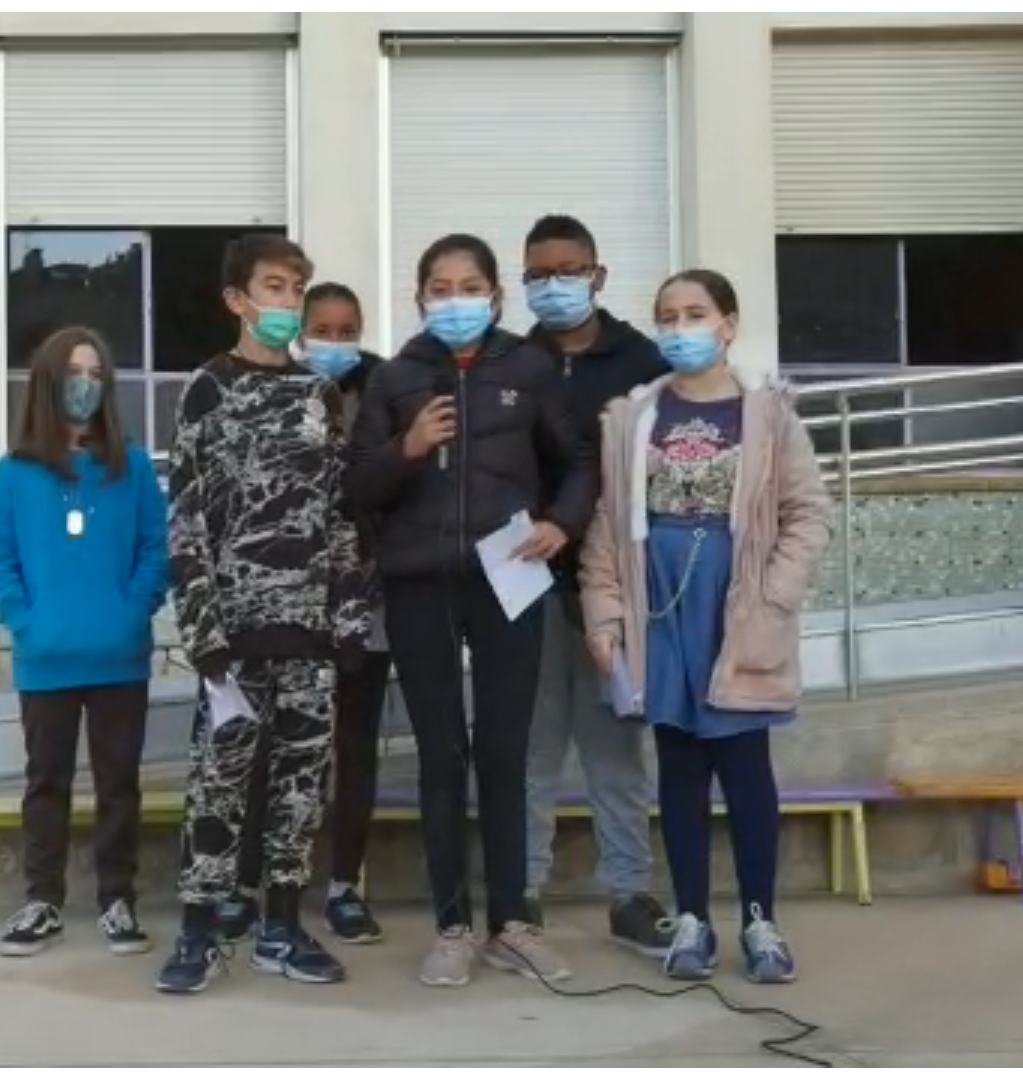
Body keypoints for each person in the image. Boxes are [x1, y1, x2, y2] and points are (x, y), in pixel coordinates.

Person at [347, 233, 595, 988]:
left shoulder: (530, 368)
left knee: (506, 752)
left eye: (469, 287)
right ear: (419, 297)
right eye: (440, 287)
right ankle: (451, 927)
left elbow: (579, 461)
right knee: (441, 755)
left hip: (507, 578)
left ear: (495, 295)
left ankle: (512, 924)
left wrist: (562, 523)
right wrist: (407, 447)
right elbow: (356, 489)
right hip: (419, 582)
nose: (455, 300)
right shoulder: (395, 377)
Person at [577, 269, 831, 986]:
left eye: (695, 313)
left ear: (728, 324)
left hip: (737, 604)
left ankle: (760, 920)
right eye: (668, 316)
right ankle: (692, 917)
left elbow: (808, 513)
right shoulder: (633, 417)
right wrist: (605, 616)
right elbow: (607, 526)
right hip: (659, 608)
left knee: (746, 769)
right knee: (679, 769)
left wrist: (772, 598)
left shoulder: (769, 415)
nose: (680, 327)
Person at [156, 235, 375, 995]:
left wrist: (349, 619)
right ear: (237, 299)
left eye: (295, 289)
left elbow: (338, 514)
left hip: (309, 632)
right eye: (274, 287)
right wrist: (203, 633)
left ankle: (282, 927)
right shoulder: (206, 388)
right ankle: (197, 932)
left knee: (300, 790)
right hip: (233, 635)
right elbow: (186, 519)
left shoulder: (319, 395)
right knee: (217, 787)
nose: (287, 302)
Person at [0, 325, 170, 960]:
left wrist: (133, 611)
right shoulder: (14, 473)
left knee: (119, 785)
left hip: (119, 657)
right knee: (46, 784)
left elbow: (155, 549)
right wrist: (24, 620)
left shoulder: (132, 467)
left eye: (96, 374)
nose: (85, 385)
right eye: (74, 373)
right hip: (46, 659)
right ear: (48, 382)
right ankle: (43, 901)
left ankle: (118, 899)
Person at [517, 214, 675, 956]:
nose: (553, 285)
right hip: (524, 580)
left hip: (615, 585)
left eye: (568, 271)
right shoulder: (513, 362)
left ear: (598, 276)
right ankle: (520, 892)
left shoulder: (644, 363)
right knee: (529, 746)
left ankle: (630, 894)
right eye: (537, 275)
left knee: (615, 747)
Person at [223, 282, 395, 948]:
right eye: (322, 328)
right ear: (300, 331)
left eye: (347, 330)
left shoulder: (386, 393)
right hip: (285, 600)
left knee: (353, 747)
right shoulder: (275, 389)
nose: (335, 341)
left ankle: (345, 886)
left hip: (365, 600)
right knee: (270, 746)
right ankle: (248, 885)